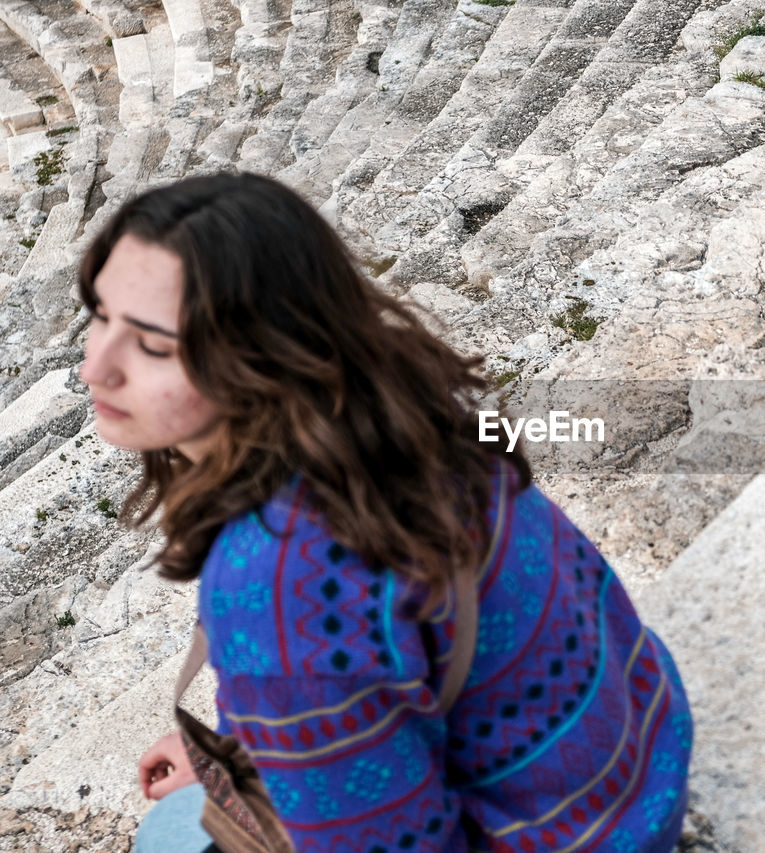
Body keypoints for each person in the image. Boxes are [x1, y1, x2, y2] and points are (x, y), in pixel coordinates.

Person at [78, 172, 693, 852]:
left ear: (262, 354)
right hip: (638, 780)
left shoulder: (279, 578)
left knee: (167, 834)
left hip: (564, 835)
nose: (95, 367)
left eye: (155, 346)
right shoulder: (407, 413)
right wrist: (266, 743)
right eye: (100, 316)